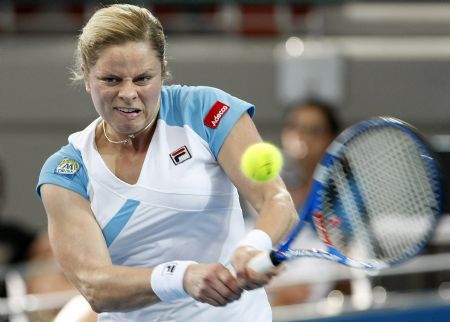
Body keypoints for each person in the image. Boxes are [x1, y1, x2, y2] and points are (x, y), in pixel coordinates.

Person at [36, 4, 297, 322]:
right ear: (87, 76)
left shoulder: (207, 111)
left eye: (143, 78)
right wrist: (182, 277)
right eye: (111, 79)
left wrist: (255, 244)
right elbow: (95, 286)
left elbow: (276, 199)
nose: (128, 93)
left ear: (163, 70)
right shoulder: (67, 172)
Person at [266, 99, 343, 306]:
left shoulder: (345, 198)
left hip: (319, 261)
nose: (301, 137)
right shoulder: (266, 183)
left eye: (314, 130)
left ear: (330, 139)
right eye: (294, 127)